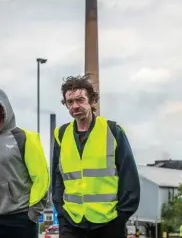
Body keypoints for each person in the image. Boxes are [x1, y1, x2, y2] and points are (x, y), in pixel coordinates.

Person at [52, 75, 141, 238]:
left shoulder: (113, 131)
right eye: (70, 102)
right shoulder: (61, 134)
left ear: (92, 100)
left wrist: (120, 218)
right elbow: (58, 179)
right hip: (72, 224)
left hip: (109, 224)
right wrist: (61, 214)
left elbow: (129, 178)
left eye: (80, 100)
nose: (75, 106)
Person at [0, 88, 50, 238]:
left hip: (19, 219)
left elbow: (42, 179)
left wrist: (32, 214)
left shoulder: (25, 138)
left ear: (3, 109)